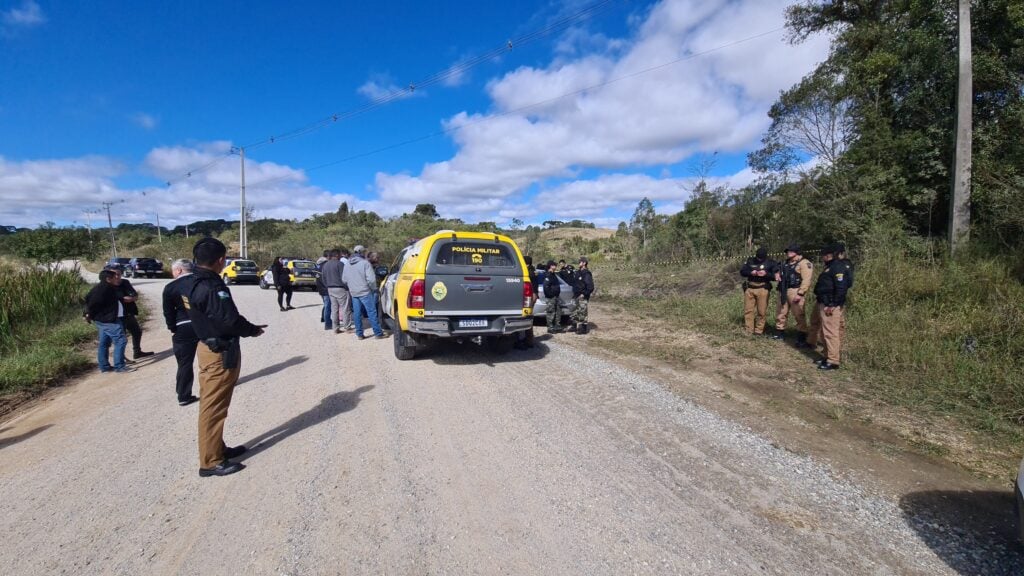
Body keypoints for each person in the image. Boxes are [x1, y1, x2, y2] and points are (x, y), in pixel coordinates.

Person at [185, 237, 265, 477]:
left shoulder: (190, 281)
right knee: (214, 407)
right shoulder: (212, 287)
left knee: (217, 404)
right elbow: (229, 319)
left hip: (209, 346)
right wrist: (253, 330)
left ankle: (218, 448)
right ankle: (210, 462)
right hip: (218, 352)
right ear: (220, 260)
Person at [807, 243, 854, 371]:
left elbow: (841, 288)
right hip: (824, 301)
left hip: (830, 304)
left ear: (832, 255)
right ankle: (827, 356)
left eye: (826, 255)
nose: (824, 257)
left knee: (830, 333)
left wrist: (833, 304)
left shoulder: (838, 267)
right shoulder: (830, 266)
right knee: (825, 331)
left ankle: (833, 361)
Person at [162, 259, 200, 406]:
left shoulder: (170, 287)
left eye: (173, 271)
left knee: (185, 363)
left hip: (183, 327)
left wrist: (172, 328)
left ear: (178, 271)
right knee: (214, 358)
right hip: (205, 325)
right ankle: (219, 385)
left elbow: (168, 312)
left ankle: (184, 396)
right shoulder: (202, 281)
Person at [83, 269, 134, 373]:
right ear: (108, 279)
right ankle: (119, 366)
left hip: (105, 319)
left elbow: (88, 298)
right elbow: (91, 303)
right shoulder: (103, 289)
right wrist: (87, 314)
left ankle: (104, 367)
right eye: (114, 276)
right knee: (121, 340)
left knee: (104, 343)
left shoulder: (106, 288)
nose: (117, 278)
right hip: (108, 320)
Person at [773, 244, 814, 346]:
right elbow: (776, 267)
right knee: (781, 312)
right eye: (787, 251)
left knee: (799, 314)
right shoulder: (786, 262)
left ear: (797, 252)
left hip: (795, 290)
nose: (788, 253)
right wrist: (777, 272)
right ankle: (780, 333)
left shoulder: (804, 263)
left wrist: (800, 293)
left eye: (791, 251)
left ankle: (801, 337)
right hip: (783, 289)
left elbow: (806, 280)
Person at [343, 245, 386, 340]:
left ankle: (359, 334)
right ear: (362, 252)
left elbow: (344, 279)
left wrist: (352, 286)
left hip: (354, 292)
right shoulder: (365, 263)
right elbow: (371, 280)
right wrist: (373, 288)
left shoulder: (347, 264)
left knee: (357, 314)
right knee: (371, 312)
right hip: (365, 292)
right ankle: (378, 333)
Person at [116, 274, 153, 360]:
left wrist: (131, 298)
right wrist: (124, 298)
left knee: (137, 332)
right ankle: (121, 357)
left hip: (128, 313)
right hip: (117, 316)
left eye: (118, 274)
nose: (117, 276)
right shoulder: (108, 286)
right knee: (121, 337)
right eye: (115, 274)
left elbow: (134, 295)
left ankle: (137, 352)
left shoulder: (125, 282)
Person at [739, 247, 776, 336]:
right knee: (748, 310)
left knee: (761, 311)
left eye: (761, 259)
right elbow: (742, 271)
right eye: (758, 258)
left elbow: (775, 277)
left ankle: (759, 331)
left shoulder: (771, 263)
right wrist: (751, 273)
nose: (759, 260)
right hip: (750, 288)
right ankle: (749, 330)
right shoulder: (750, 261)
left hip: (762, 288)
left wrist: (766, 274)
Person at [321, 249, 351, 333]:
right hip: (340, 288)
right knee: (345, 308)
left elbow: (323, 278)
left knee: (334, 309)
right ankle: (347, 327)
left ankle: (335, 328)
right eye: (340, 255)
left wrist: (327, 286)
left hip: (330, 288)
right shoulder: (340, 264)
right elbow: (344, 278)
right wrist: (347, 287)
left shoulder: (325, 265)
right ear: (337, 255)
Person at [515, 255, 538, 350]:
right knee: (528, 317)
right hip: (533, 295)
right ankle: (529, 340)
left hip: (530, 296)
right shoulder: (533, 271)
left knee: (524, 317)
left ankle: (524, 340)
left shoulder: (528, 272)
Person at [569, 256, 595, 334]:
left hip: (582, 296)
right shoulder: (578, 272)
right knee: (574, 311)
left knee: (582, 312)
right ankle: (574, 326)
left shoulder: (586, 274)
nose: (579, 263)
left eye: (580, 262)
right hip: (575, 295)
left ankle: (583, 329)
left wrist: (584, 294)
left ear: (584, 263)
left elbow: (590, 287)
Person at [543, 260, 564, 333]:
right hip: (551, 297)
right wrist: (550, 295)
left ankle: (557, 326)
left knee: (558, 311)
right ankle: (550, 328)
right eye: (554, 265)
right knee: (550, 312)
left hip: (556, 297)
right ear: (551, 266)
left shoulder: (553, 274)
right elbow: (546, 287)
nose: (555, 266)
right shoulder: (548, 275)